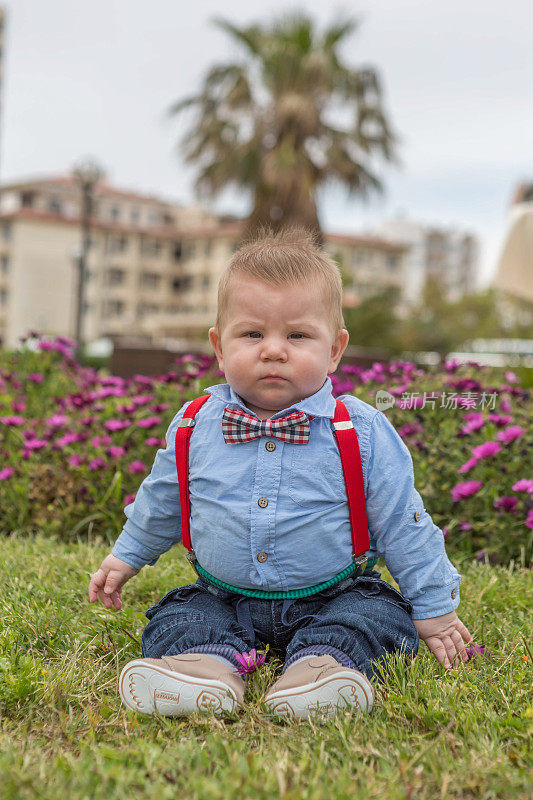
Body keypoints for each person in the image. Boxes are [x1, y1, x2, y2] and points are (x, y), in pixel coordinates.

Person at [88, 225, 473, 721]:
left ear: (334, 348)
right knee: (178, 615)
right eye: (252, 334)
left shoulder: (360, 430)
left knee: (377, 616)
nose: (273, 350)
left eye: (297, 335)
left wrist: (434, 609)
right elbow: (162, 500)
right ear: (219, 347)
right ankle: (205, 667)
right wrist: (126, 557)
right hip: (222, 596)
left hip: (336, 593)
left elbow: (404, 523)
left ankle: (320, 671)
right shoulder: (194, 424)